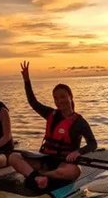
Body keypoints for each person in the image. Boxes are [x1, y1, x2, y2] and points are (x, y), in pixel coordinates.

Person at [7, 61, 97, 190]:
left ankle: (38, 176)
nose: (59, 101)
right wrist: (26, 80)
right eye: (56, 98)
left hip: (63, 163)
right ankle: (39, 178)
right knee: (13, 157)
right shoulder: (50, 114)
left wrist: (79, 152)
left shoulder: (79, 122)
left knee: (74, 172)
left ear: (70, 97)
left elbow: (93, 144)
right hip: (45, 159)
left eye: (62, 97)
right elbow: (33, 102)